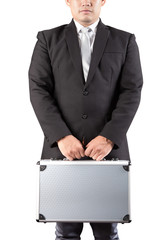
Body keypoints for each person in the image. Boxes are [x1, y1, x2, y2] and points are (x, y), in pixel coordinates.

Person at [28, 0, 143, 239]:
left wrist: (109, 137)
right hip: (62, 152)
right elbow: (38, 89)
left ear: (102, 1)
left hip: (108, 154)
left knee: (106, 232)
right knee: (66, 231)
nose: (86, 2)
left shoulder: (125, 40)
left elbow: (131, 91)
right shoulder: (47, 39)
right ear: (68, 1)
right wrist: (60, 135)